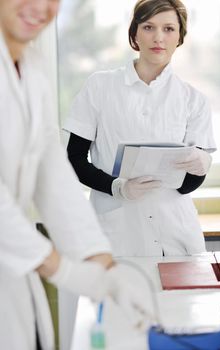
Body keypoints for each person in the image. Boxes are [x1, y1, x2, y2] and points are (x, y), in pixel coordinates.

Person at [0, 1, 153, 349]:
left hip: (13, 276)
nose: (40, 7)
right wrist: (62, 270)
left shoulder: (33, 67)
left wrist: (104, 267)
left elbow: (51, 173)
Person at [64, 0, 216, 257]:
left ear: (180, 36)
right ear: (134, 33)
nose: (159, 38)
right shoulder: (100, 87)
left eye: (169, 29)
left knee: (181, 297)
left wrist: (202, 164)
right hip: (117, 231)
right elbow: (74, 158)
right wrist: (117, 187)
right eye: (148, 27)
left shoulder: (194, 99)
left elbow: (186, 184)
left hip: (175, 231)